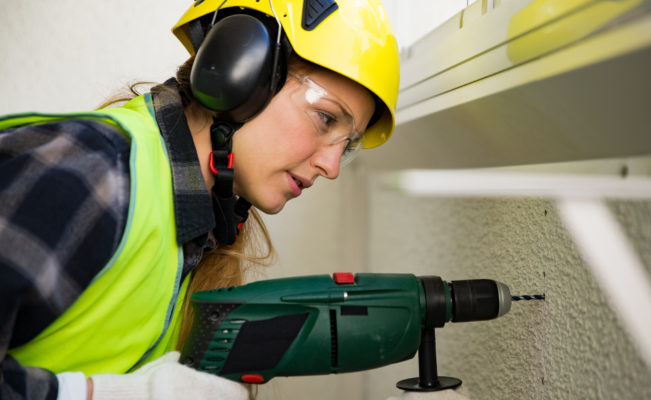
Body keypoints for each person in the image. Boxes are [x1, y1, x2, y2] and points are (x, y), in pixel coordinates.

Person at [0, 1, 468, 399]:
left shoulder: (201, 230)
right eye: (326, 120)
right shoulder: (91, 172)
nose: (331, 166)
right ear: (238, 68)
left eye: (346, 144)